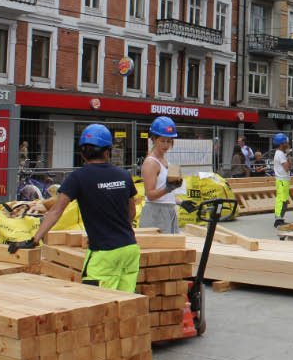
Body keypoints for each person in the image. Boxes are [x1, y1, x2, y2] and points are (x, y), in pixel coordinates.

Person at [21, 124, 140, 292]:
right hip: (129, 250)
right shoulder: (124, 175)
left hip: (104, 255)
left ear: (82, 153)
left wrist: (34, 240)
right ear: (108, 151)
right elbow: (132, 212)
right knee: (125, 307)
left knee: (97, 307)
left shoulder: (78, 177)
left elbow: (56, 210)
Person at [139, 116, 181, 234]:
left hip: (168, 211)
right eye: (162, 140)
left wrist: (179, 202)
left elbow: (163, 193)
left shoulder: (164, 160)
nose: (166, 145)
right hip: (155, 213)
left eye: (169, 141)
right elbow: (150, 195)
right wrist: (168, 188)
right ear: (154, 139)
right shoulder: (151, 163)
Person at [272, 133, 292, 227]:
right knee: (281, 200)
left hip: (283, 180)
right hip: (282, 180)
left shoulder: (279, 153)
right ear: (281, 144)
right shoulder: (280, 154)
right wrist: (289, 155)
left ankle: (280, 218)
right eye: (285, 143)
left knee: (283, 199)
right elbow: (287, 167)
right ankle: (278, 220)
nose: (287, 144)